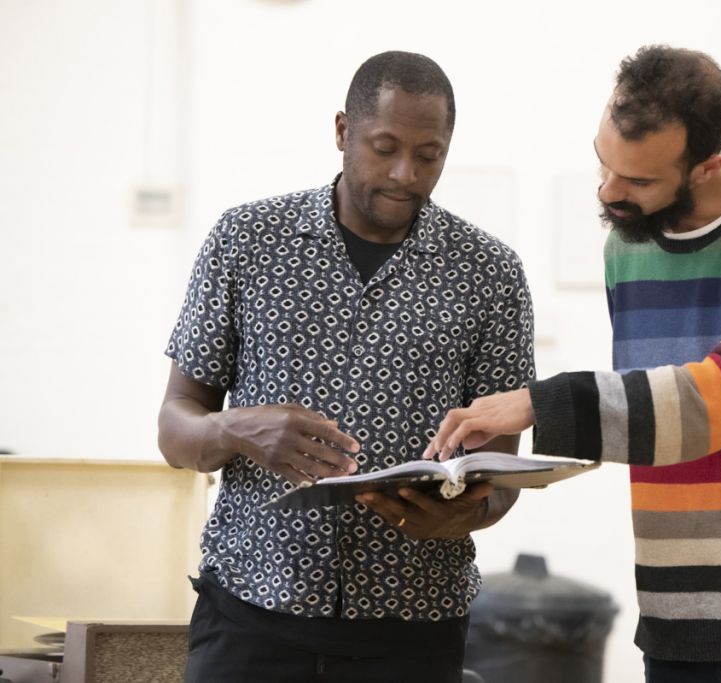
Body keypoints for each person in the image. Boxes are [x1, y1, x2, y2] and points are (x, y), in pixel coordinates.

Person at [425, 45, 721, 682]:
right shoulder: (628, 244)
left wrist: (541, 403)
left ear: (706, 165)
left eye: (639, 181)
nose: (609, 192)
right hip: (676, 620)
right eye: (602, 163)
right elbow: (658, 419)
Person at [158, 50, 535, 683]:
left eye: (428, 155)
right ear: (342, 131)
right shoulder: (246, 241)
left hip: (413, 629)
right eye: (383, 146)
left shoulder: (490, 274)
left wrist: (465, 514)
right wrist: (235, 429)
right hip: (251, 614)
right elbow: (174, 428)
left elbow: (499, 471)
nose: (403, 173)